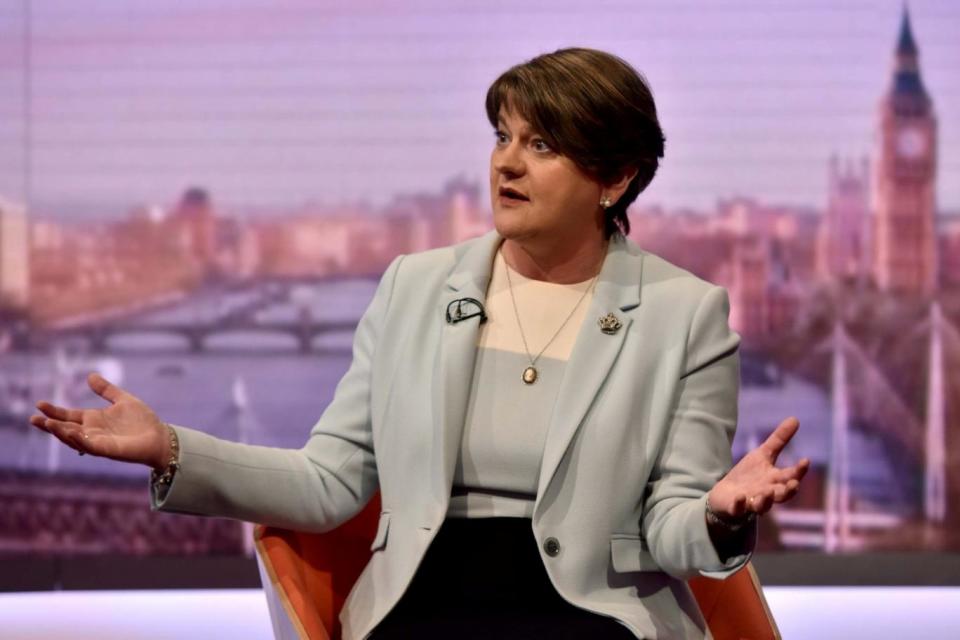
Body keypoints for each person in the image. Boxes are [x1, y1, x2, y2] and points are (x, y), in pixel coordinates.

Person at [31, 47, 809, 639]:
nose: (506, 161)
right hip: (420, 606)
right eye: (503, 136)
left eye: (542, 145)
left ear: (615, 178)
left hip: (596, 616)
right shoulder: (416, 286)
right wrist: (169, 447)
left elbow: (672, 528)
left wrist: (719, 514)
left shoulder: (684, 313)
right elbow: (327, 482)